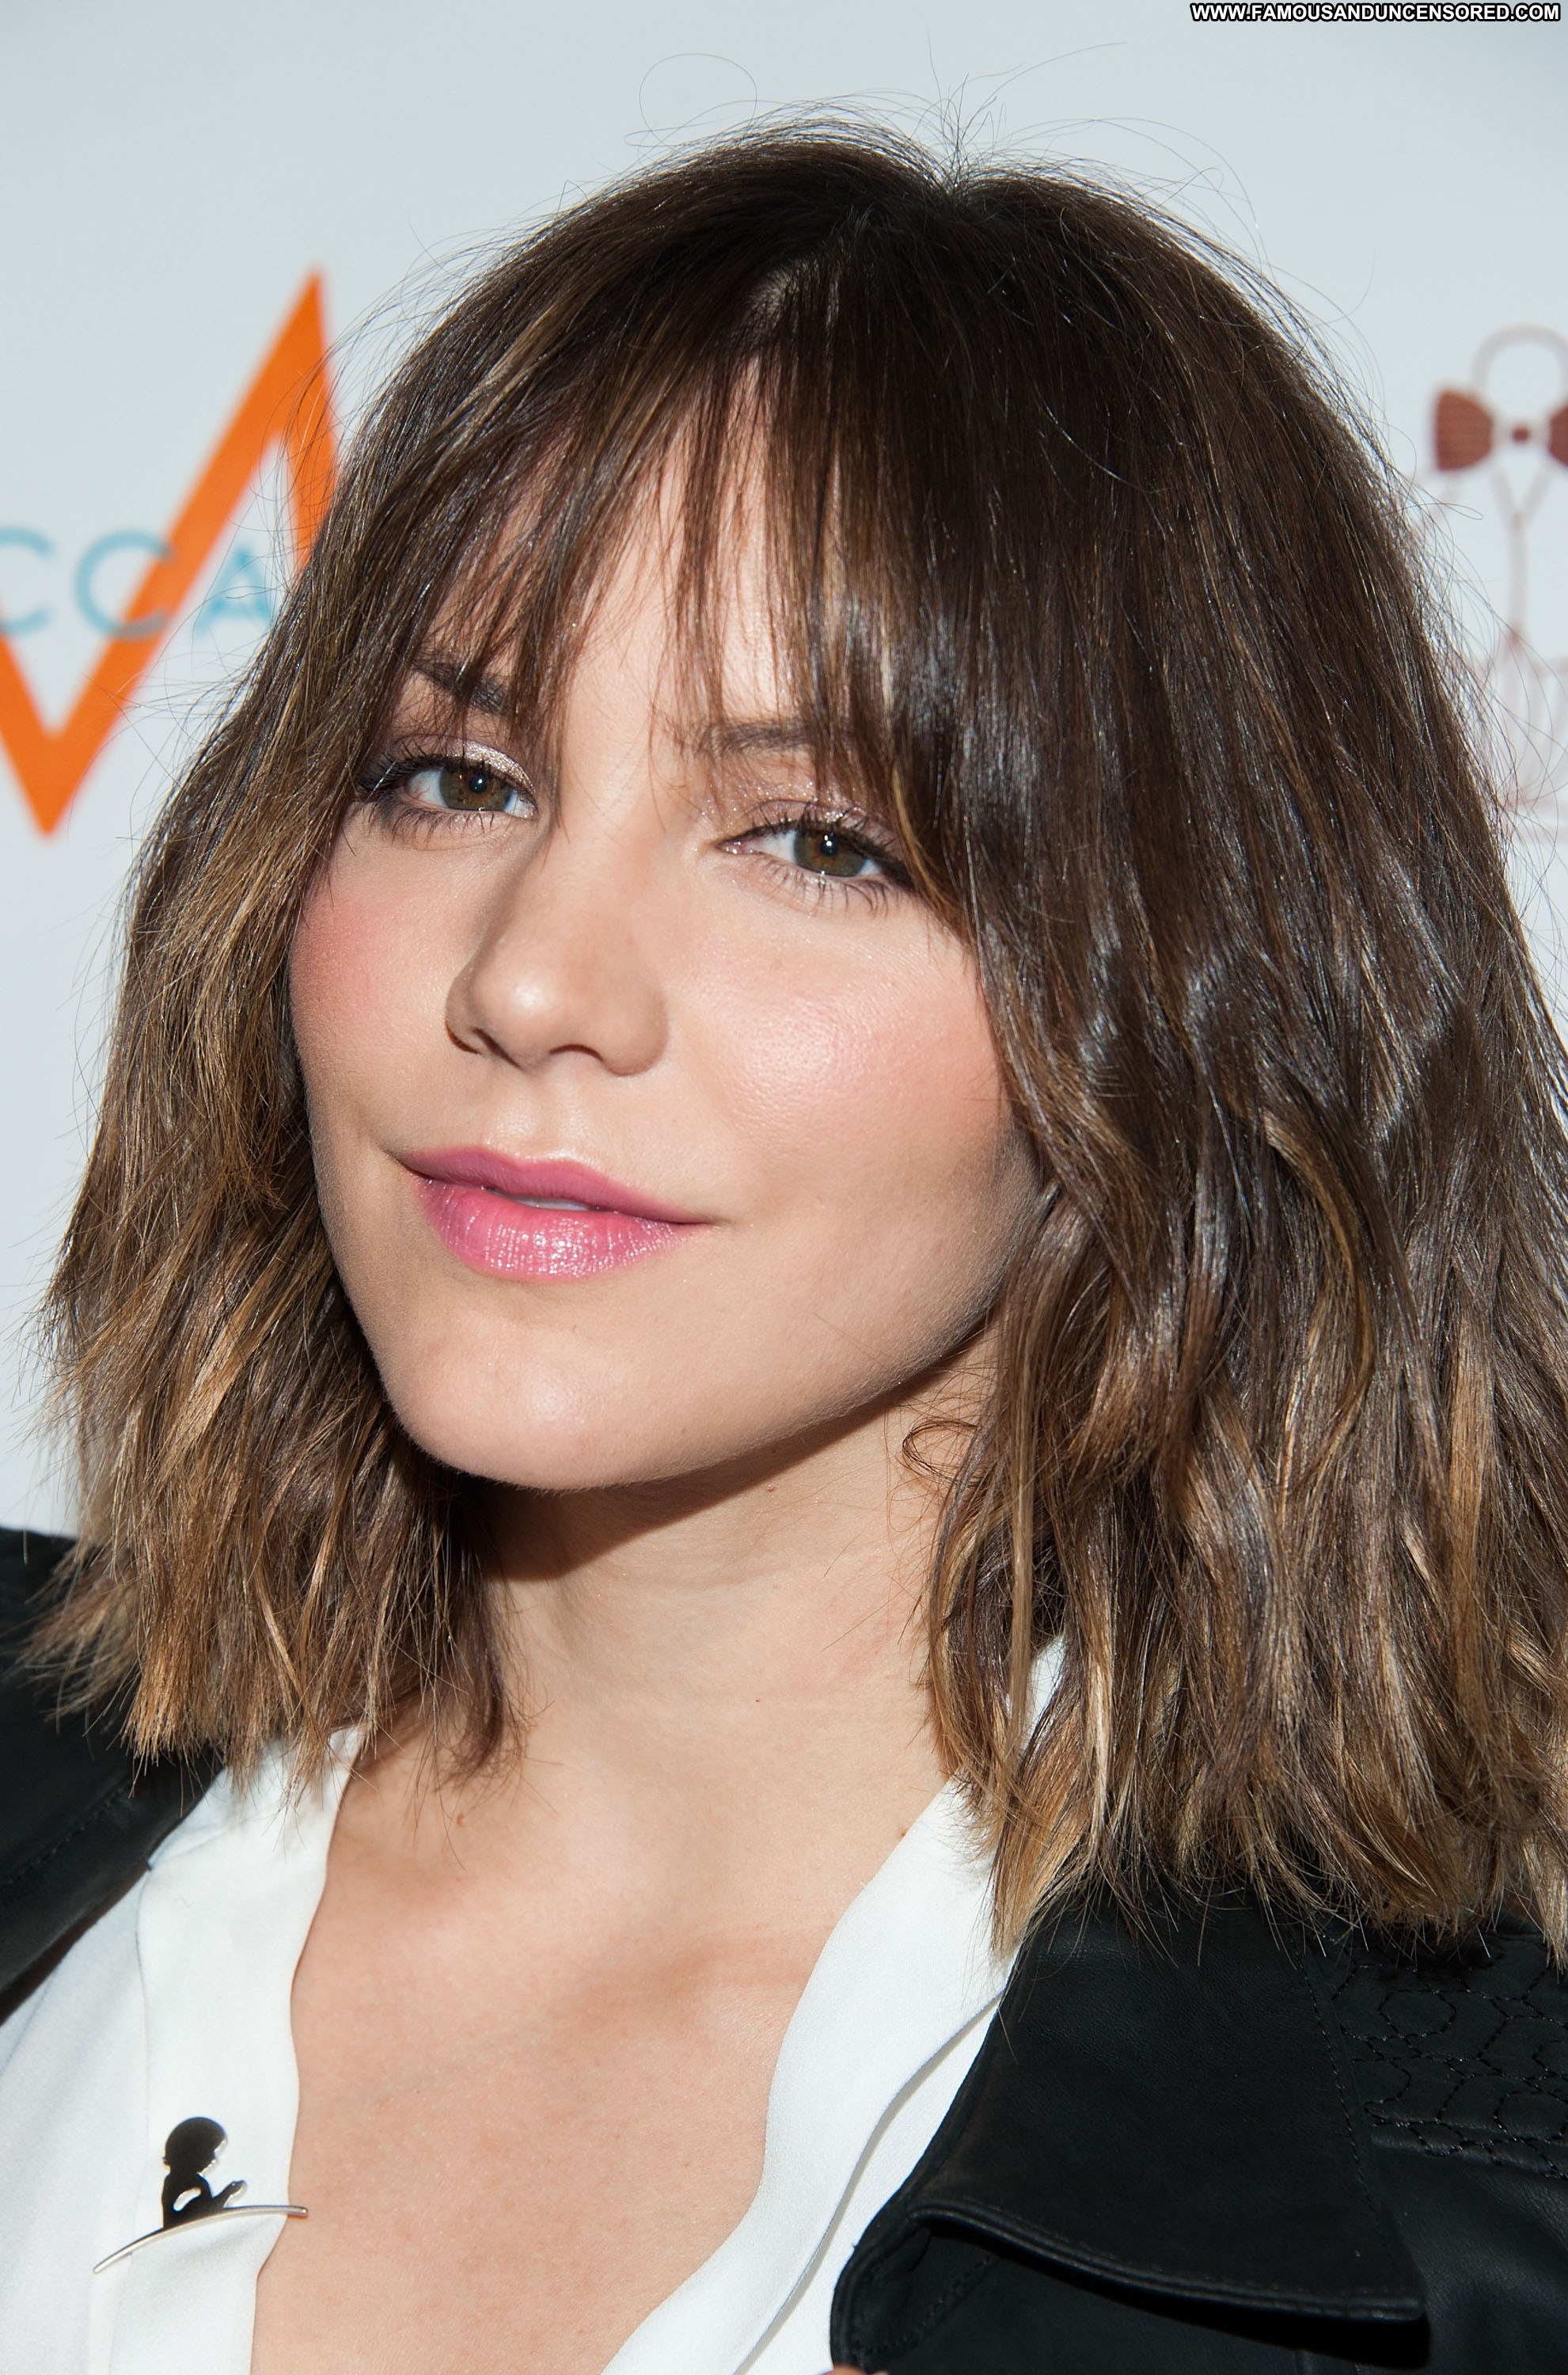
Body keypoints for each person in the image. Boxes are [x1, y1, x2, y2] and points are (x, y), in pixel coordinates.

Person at [2, 123, 1567, 2375]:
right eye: (457, 778)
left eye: (822, 841)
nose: (534, 979)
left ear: (1202, 1002)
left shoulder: (1483, 2213)